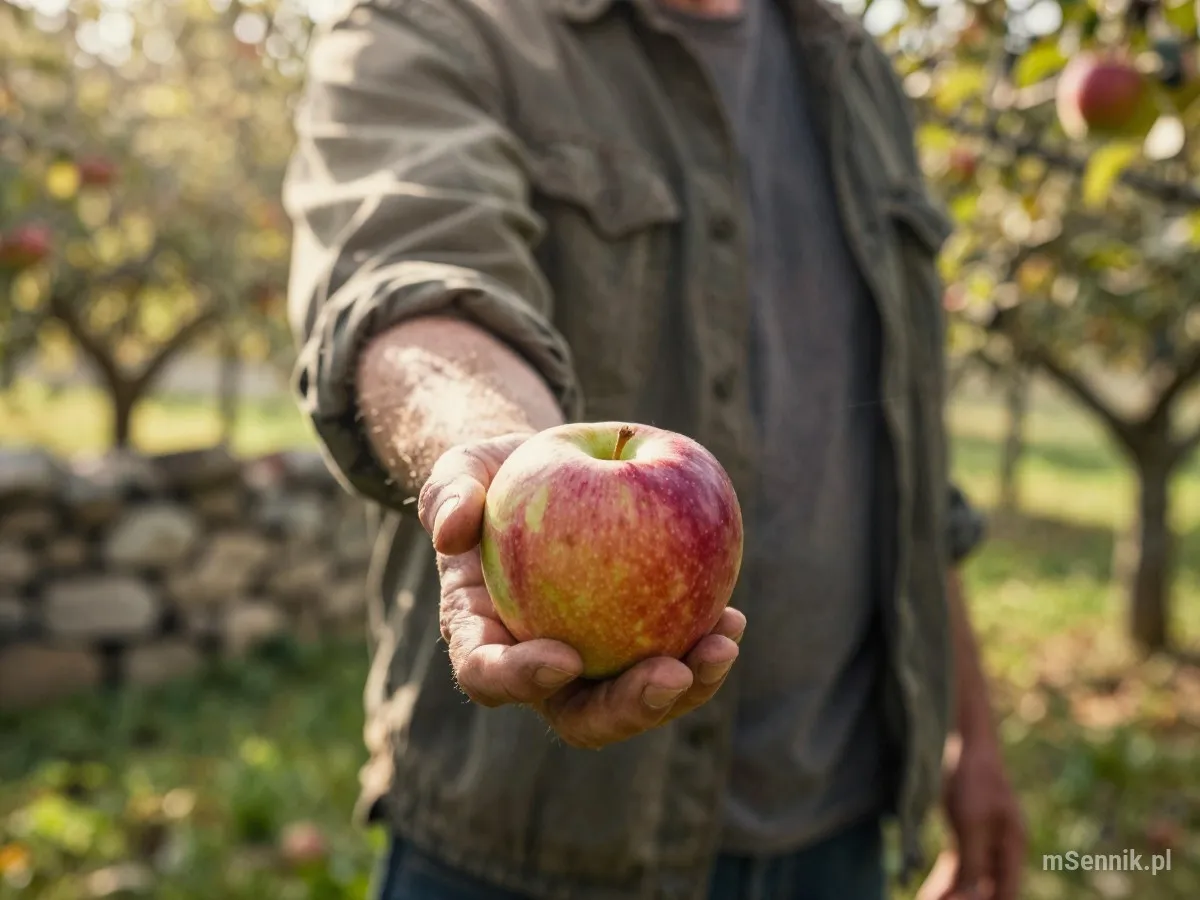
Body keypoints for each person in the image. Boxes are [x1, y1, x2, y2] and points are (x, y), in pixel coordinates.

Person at [283, 0, 1026, 897]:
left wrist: (970, 737)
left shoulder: (853, 67)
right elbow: (408, 284)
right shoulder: (440, 26)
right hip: (528, 849)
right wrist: (500, 460)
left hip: (840, 827)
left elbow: (905, 468)